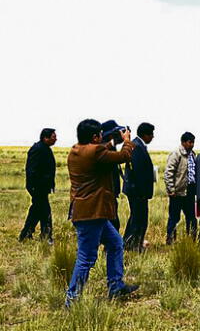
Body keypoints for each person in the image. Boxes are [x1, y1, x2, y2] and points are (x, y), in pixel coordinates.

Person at [65, 119, 138, 307]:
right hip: (92, 213)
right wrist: (128, 140)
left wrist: (112, 141)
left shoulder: (75, 150)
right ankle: (72, 300)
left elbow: (99, 151)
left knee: (115, 243)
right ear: (95, 136)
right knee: (86, 258)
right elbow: (124, 156)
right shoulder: (96, 152)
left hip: (86, 212)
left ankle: (116, 285)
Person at [19, 128, 57, 243]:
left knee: (37, 210)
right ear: (45, 138)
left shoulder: (45, 149)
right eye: (53, 137)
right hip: (37, 187)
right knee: (45, 211)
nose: (56, 139)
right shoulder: (38, 149)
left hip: (42, 187)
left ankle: (27, 234)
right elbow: (31, 170)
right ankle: (46, 236)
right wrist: (33, 186)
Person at [123, 122, 155, 251]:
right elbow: (137, 171)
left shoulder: (138, 145)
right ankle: (133, 244)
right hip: (137, 191)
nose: (153, 137)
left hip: (137, 191)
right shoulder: (137, 146)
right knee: (139, 219)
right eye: (151, 134)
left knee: (137, 217)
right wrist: (141, 192)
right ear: (145, 135)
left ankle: (132, 243)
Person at [164, 132, 197, 244]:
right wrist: (171, 189)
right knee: (174, 217)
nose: (192, 144)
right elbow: (169, 172)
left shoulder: (192, 154)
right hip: (178, 191)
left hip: (190, 190)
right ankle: (170, 239)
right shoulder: (176, 154)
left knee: (191, 217)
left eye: (193, 142)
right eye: (189, 142)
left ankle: (191, 240)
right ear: (183, 142)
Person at [101, 120, 126, 232]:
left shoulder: (109, 146)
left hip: (111, 192)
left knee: (113, 222)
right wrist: (127, 141)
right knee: (112, 223)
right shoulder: (102, 149)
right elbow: (124, 156)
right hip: (106, 193)